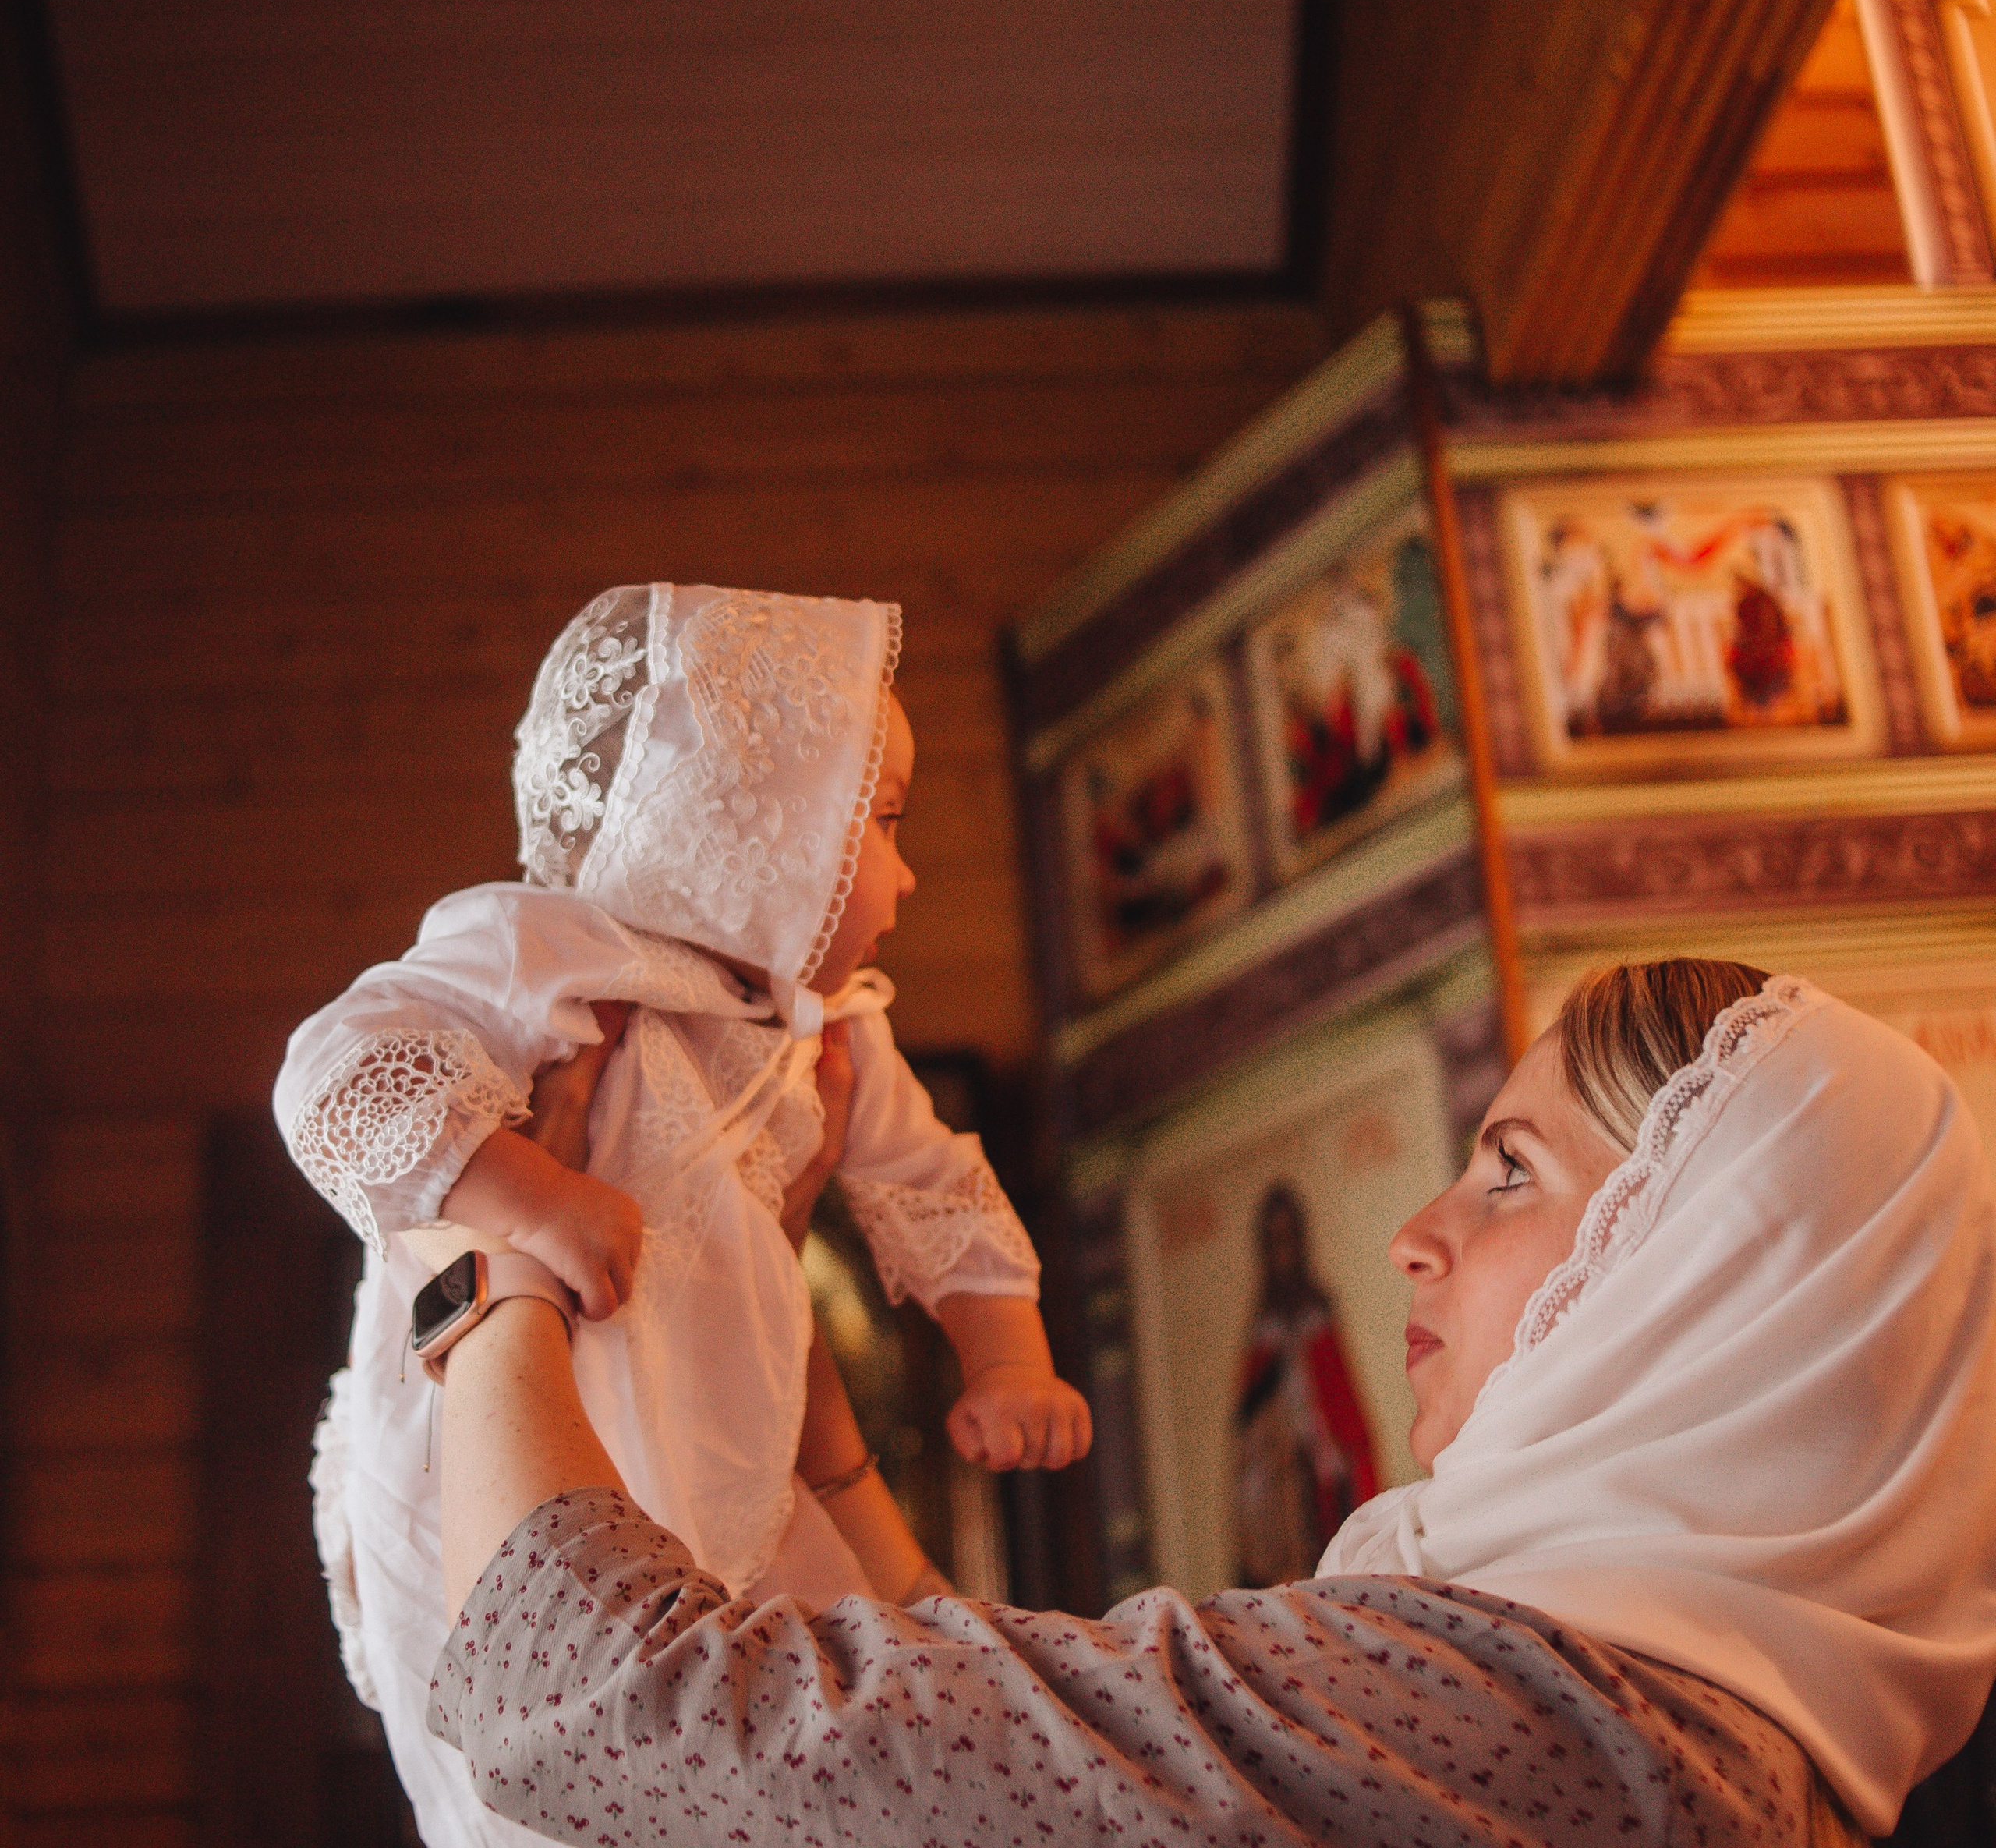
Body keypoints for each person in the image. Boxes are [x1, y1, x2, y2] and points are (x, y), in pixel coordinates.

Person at [404, 958, 1996, 1844]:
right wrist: (819, 1425)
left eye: (1508, 1167)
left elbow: (609, 1705)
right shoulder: (1722, 1744)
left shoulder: (1523, 1717)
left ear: (1721, 1280)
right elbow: (1047, 1764)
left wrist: (499, 1258)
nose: (1411, 1233)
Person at [273, 583, 1091, 1848]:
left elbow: (937, 1184)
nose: (910, 871)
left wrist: (1005, 1356)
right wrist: (537, 1199)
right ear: (753, 828)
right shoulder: (545, 955)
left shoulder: (835, 1031)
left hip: (730, 1448)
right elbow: (340, 1080)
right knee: (510, 1716)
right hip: (494, 1433)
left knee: (788, 1715)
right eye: (882, 824)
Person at [1232, 1181, 1377, 1584]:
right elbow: (1247, 1424)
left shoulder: (1319, 1309)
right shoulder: (1262, 1325)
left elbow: (1345, 1406)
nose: (1282, 1251)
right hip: (1280, 1478)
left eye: (1288, 1237)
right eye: (1273, 1240)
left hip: (1325, 1475)